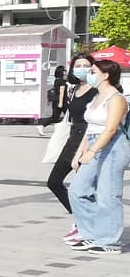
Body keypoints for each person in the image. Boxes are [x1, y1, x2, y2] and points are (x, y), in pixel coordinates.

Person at [68, 58, 128, 254]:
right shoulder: (96, 97)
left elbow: (110, 129)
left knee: (107, 195)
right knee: (77, 190)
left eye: (93, 71)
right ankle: (91, 233)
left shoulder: (117, 98)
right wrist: (80, 151)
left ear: (105, 75)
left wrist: (93, 151)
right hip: (93, 142)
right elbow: (90, 128)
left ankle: (110, 241)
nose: (88, 74)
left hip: (112, 146)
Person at [52, 53, 99, 235]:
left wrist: (85, 149)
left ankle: (88, 224)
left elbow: (92, 121)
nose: (82, 68)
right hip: (73, 138)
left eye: (86, 65)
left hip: (87, 139)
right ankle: (81, 219)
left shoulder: (96, 91)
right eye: (78, 65)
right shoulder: (74, 89)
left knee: (84, 187)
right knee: (54, 182)